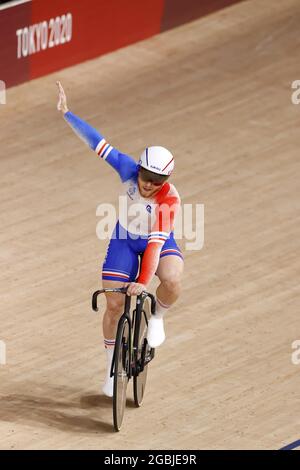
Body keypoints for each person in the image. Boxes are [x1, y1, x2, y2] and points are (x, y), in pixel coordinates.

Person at [56, 81, 184, 397]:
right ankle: (112, 368)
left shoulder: (169, 201)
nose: (149, 186)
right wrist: (67, 113)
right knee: (114, 305)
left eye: (157, 182)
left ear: (165, 181)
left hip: (157, 242)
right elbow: (97, 143)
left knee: (172, 278)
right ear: (137, 169)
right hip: (125, 239)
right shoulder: (126, 167)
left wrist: (142, 281)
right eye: (145, 178)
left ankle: (157, 319)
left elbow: (155, 247)